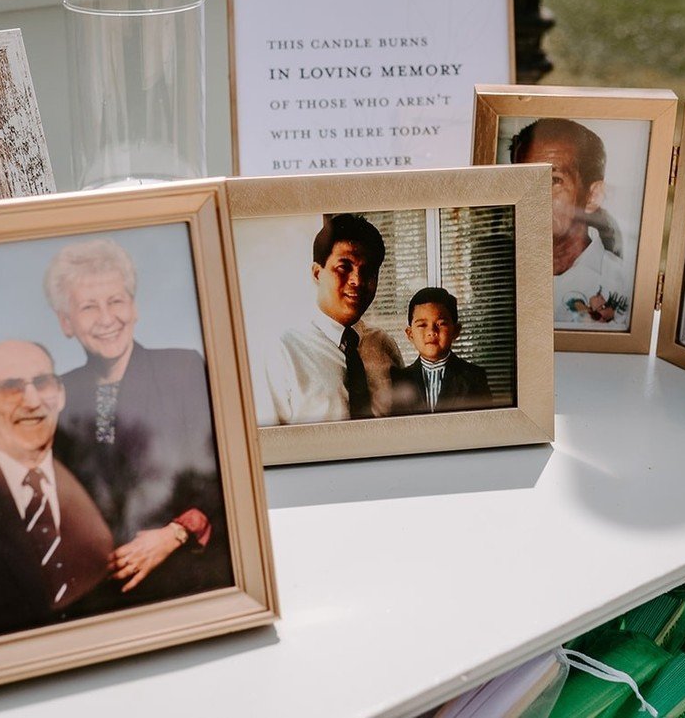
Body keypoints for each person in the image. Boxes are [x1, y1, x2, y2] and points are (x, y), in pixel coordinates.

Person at [44, 239, 232, 611]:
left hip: (188, 581)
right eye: (88, 307)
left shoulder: (184, 369)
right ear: (66, 322)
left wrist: (174, 535)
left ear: (134, 307)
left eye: (116, 301)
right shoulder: (57, 394)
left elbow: (222, 473)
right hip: (97, 597)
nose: (106, 318)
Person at [0, 339, 114, 640]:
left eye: (43, 382)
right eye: (11, 386)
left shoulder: (108, 477)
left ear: (60, 395)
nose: (32, 400)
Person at [265, 213, 404, 424]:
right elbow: (269, 446)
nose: (357, 280)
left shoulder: (384, 345)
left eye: (368, 271)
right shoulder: (283, 350)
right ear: (317, 274)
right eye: (344, 267)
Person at [510, 118, 631, 329]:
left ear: (592, 196)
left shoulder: (624, 285)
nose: (533, 196)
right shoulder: (497, 277)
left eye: (554, 180)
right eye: (524, 180)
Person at [389, 287, 492, 415]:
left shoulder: (474, 377)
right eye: (422, 325)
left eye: (441, 324)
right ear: (410, 334)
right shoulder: (399, 380)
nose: (431, 332)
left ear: (455, 331)